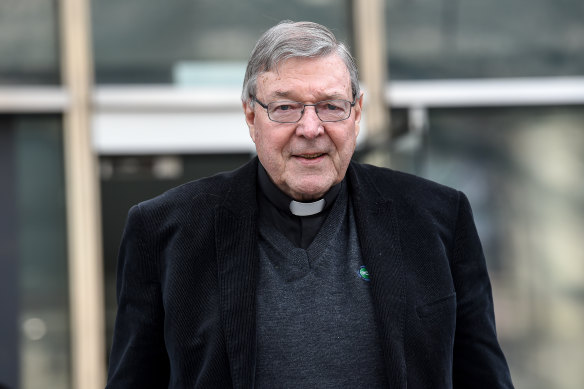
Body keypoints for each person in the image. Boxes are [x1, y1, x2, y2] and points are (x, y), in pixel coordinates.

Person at [106, 21, 514, 388]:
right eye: (285, 107)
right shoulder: (165, 231)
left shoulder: (438, 219)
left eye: (330, 106)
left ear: (356, 114)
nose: (310, 128)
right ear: (251, 117)